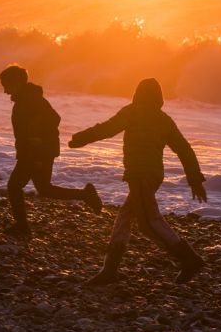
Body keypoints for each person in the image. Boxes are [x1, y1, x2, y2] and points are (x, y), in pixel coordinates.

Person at [68, 77, 208, 286]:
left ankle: (189, 259)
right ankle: (110, 270)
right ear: (159, 98)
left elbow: (107, 128)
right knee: (125, 217)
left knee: (148, 223)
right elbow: (184, 149)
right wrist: (194, 179)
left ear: (137, 94)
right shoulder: (164, 119)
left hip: (140, 175)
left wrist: (81, 138)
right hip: (152, 176)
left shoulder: (131, 112)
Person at [0, 64, 102, 240]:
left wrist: (38, 138)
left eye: (6, 86)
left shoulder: (31, 100)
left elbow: (54, 119)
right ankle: (86, 195)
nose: (4, 91)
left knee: (14, 186)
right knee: (45, 189)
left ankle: (22, 226)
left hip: (36, 152)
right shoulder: (27, 98)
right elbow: (50, 119)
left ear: (15, 83)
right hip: (37, 151)